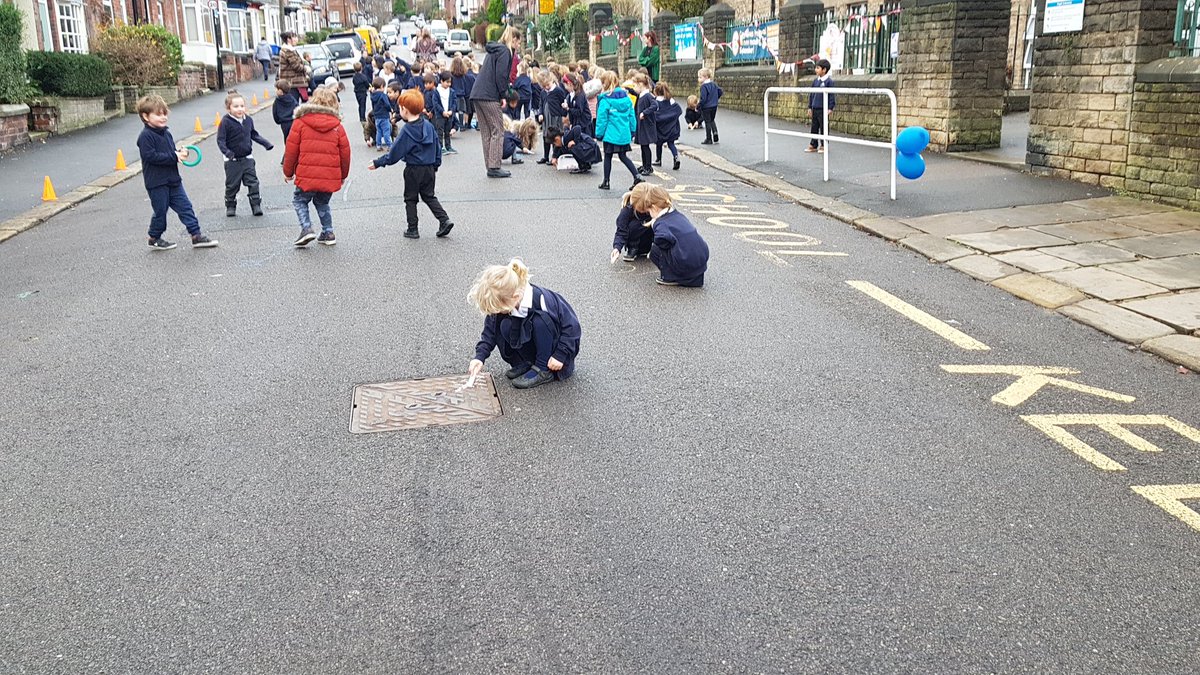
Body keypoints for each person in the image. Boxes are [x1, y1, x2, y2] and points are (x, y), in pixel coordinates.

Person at [467, 259, 582, 390]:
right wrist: (479, 357)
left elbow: (572, 327)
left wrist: (560, 355)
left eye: (499, 309)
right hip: (535, 345)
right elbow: (490, 332)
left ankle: (543, 369)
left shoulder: (542, 299)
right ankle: (528, 363)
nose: (497, 312)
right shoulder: (507, 298)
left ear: (515, 297)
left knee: (539, 321)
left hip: (555, 355)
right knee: (504, 324)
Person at [135, 94, 217, 250]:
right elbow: (150, 156)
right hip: (157, 182)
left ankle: (196, 235)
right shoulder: (145, 136)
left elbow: (170, 153)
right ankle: (154, 237)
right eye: (158, 114)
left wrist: (180, 153)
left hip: (173, 180)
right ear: (145, 116)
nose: (163, 117)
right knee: (160, 211)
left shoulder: (166, 133)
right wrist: (174, 156)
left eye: (164, 114)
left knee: (186, 207)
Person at [369, 89, 454, 239]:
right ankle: (444, 220)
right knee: (429, 196)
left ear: (405, 110)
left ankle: (412, 229)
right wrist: (436, 165)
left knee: (411, 199)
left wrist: (378, 162)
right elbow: (437, 147)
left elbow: (394, 154)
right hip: (429, 168)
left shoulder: (407, 131)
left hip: (413, 169)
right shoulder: (429, 126)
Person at [282, 87, 351, 247]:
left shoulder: (300, 122)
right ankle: (328, 232)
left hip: (306, 174)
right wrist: (342, 175)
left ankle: (306, 229)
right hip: (329, 175)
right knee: (322, 202)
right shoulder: (337, 126)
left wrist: (288, 172)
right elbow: (345, 153)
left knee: (299, 200)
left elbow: (291, 150)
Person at [469, 26, 523, 178]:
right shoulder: (505, 52)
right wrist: (503, 95)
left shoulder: (494, 50)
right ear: (513, 39)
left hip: (478, 93)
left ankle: (490, 165)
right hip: (489, 95)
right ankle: (494, 166)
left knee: (487, 132)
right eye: (518, 42)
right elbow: (501, 76)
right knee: (497, 129)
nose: (519, 46)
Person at [632, 183, 708, 287]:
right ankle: (689, 277)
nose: (649, 214)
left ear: (654, 207)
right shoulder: (678, 215)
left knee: (655, 250)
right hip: (700, 263)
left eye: (649, 211)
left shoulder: (661, 223)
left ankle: (670, 277)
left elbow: (661, 238)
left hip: (685, 264)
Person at [217, 90, 273, 218]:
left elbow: (253, 134)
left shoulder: (248, 120)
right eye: (236, 106)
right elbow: (221, 140)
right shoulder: (225, 122)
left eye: (242, 106)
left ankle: (256, 205)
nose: (240, 109)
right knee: (232, 185)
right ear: (228, 108)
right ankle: (230, 205)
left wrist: (266, 143)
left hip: (247, 158)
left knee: (253, 182)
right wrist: (228, 153)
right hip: (232, 160)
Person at [594, 70, 641, 191]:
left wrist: (599, 134)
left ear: (604, 84)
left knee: (608, 156)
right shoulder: (627, 99)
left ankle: (606, 181)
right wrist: (633, 130)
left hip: (610, 134)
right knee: (623, 156)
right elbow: (632, 116)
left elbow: (602, 119)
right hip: (623, 134)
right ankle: (637, 176)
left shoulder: (605, 100)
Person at [608, 189, 652, 263]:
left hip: (650, 238)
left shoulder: (654, 206)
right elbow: (621, 231)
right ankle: (633, 247)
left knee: (659, 222)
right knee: (634, 225)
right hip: (636, 237)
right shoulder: (627, 210)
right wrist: (617, 248)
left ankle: (657, 249)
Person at [537, 71, 568, 165]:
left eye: (548, 85)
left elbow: (563, 103)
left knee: (555, 136)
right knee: (546, 136)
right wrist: (540, 113)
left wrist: (564, 114)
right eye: (544, 86)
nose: (546, 87)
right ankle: (545, 156)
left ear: (551, 80)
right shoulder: (543, 92)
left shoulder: (558, 90)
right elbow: (541, 104)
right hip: (546, 118)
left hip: (555, 117)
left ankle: (555, 156)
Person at [806, 58, 836, 153]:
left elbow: (831, 95)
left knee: (823, 127)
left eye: (818, 68)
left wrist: (830, 108)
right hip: (815, 107)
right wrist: (810, 107)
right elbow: (811, 94)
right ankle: (813, 144)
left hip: (823, 108)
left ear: (824, 70)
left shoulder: (829, 82)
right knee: (814, 127)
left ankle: (824, 145)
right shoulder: (815, 81)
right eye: (816, 68)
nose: (816, 70)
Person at [632, 73, 658, 175]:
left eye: (635, 85)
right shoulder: (641, 95)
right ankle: (644, 165)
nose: (634, 88)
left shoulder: (648, 96)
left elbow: (655, 105)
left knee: (646, 146)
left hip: (647, 125)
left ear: (641, 84)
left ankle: (648, 167)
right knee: (643, 146)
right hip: (642, 125)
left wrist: (644, 113)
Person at [652, 82, 682, 171]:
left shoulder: (656, 102)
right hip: (671, 127)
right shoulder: (671, 100)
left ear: (656, 92)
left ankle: (658, 159)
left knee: (659, 144)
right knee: (671, 143)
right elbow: (678, 110)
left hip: (660, 128)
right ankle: (676, 156)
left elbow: (654, 114)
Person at [277, 32, 309, 102]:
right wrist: (306, 68)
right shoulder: (288, 51)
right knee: (294, 104)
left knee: (298, 102)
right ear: (289, 39)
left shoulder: (290, 50)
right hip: (292, 82)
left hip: (293, 82)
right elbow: (296, 66)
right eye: (294, 37)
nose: (297, 39)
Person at [433, 71, 459, 155]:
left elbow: (454, 102)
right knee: (440, 132)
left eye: (450, 82)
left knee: (447, 131)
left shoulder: (451, 91)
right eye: (447, 82)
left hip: (449, 114)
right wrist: (442, 111)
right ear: (441, 81)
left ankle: (448, 146)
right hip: (440, 115)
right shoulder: (437, 91)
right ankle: (440, 147)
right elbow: (435, 103)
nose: (449, 84)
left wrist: (452, 110)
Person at [697, 68, 722, 145]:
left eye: (700, 77)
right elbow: (720, 91)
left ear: (706, 77)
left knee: (707, 122)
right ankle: (715, 132)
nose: (698, 79)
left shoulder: (703, 87)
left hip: (706, 107)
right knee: (712, 120)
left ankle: (709, 139)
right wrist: (716, 98)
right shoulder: (714, 84)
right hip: (714, 106)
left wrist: (699, 106)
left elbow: (703, 98)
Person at [369, 77, 393, 152]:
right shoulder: (383, 95)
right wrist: (390, 109)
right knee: (386, 131)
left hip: (377, 116)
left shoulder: (373, 95)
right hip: (384, 115)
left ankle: (378, 145)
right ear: (382, 86)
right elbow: (387, 104)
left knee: (379, 131)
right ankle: (389, 145)